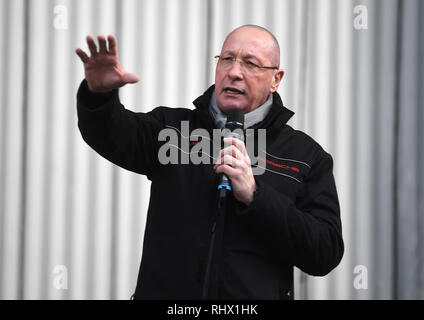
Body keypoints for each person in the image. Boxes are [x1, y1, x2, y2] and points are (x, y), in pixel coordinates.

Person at [75, 25, 344, 300]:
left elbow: (325, 251)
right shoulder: (173, 131)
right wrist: (99, 96)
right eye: (227, 59)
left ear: (276, 79)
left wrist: (256, 197)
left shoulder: (305, 157)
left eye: (250, 63)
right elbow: (111, 135)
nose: (234, 72)